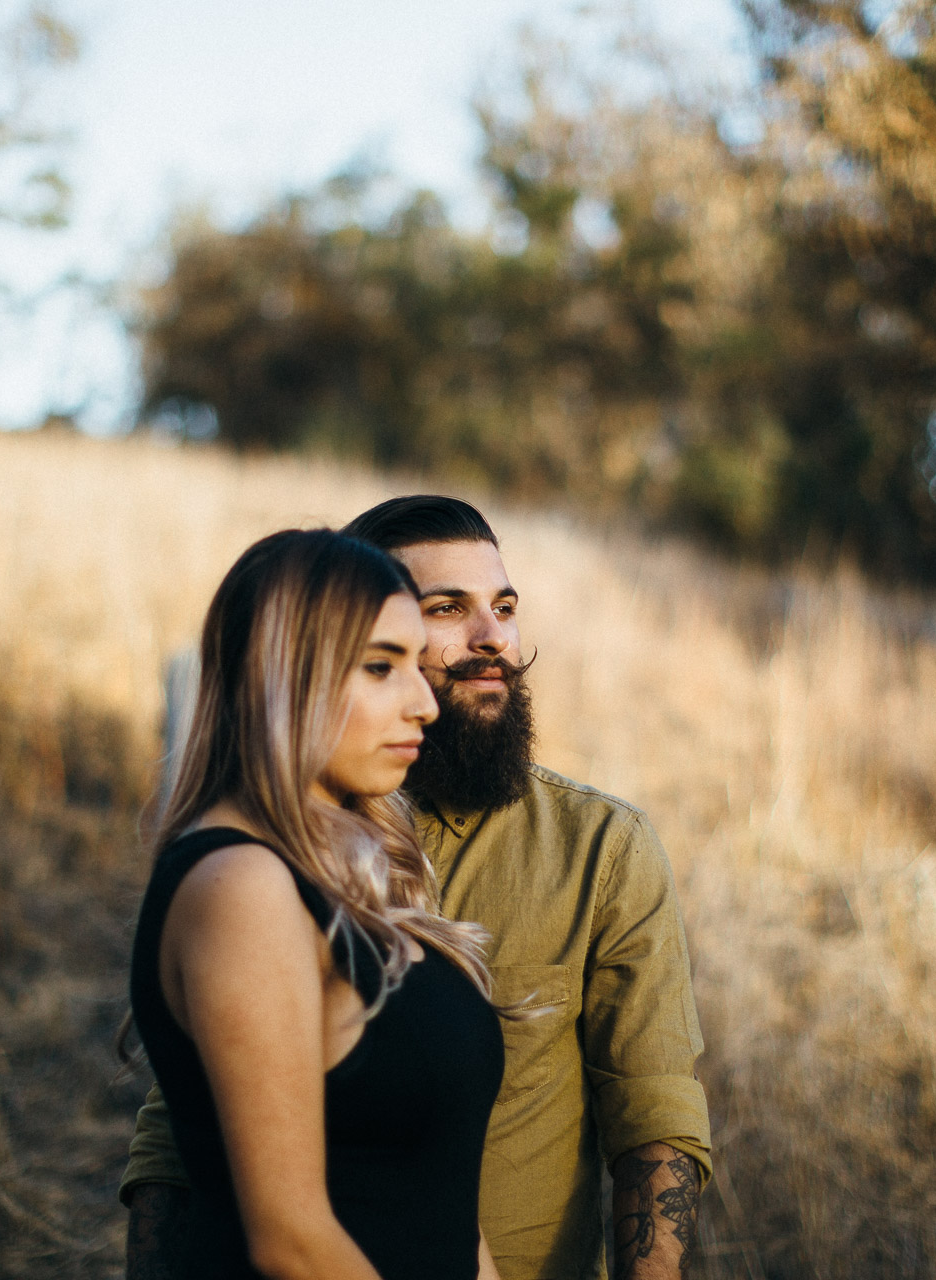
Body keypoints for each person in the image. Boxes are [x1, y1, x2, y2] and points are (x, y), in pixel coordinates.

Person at [126, 498, 711, 1280]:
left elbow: (647, 1111)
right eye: (442, 613)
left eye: (504, 607)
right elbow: (244, 1189)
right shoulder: (254, 879)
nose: (493, 638)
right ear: (296, 668)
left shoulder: (592, 847)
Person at [126, 528, 509, 1280]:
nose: (426, 702)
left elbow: (441, 1208)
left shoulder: (346, 872)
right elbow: (291, 1241)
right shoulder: (240, 886)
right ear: (281, 677)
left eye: (415, 665)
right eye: (380, 667)